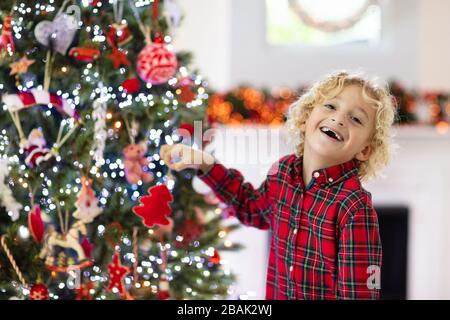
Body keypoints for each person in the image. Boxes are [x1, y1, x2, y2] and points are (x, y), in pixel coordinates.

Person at [160, 71, 397, 299]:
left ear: (365, 149)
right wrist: (204, 163)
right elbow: (249, 206)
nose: (339, 118)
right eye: (331, 106)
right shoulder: (283, 173)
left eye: (355, 119)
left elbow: (360, 293)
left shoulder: (354, 206)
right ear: (306, 118)